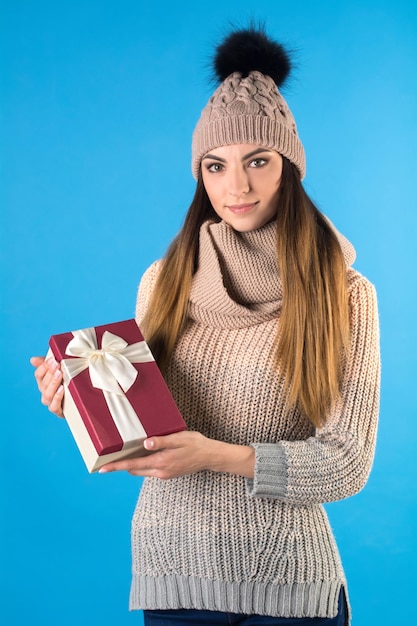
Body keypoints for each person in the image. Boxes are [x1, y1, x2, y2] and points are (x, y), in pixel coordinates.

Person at [31, 25, 380, 626]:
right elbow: (147, 435)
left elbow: (345, 462)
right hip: (174, 579)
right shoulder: (162, 281)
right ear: (201, 174)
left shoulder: (343, 294)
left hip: (289, 587)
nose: (236, 186)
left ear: (289, 168)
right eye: (216, 166)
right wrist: (84, 409)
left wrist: (216, 456)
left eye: (258, 162)